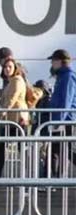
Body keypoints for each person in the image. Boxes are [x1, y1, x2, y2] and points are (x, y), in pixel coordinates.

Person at [0, 58, 29, 178]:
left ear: (15, 68)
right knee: (1, 147)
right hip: (10, 119)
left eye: (10, 67)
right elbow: (5, 101)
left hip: (18, 119)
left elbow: (11, 100)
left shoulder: (17, 80)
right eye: (5, 67)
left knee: (23, 149)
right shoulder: (10, 81)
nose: (7, 69)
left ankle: (37, 175)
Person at [46, 49, 76, 177]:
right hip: (62, 119)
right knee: (58, 150)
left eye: (53, 61)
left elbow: (66, 100)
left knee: (66, 150)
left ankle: (52, 179)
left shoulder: (68, 76)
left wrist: (59, 121)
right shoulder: (63, 76)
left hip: (66, 120)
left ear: (59, 61)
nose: (52, 64)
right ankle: (53, 178)